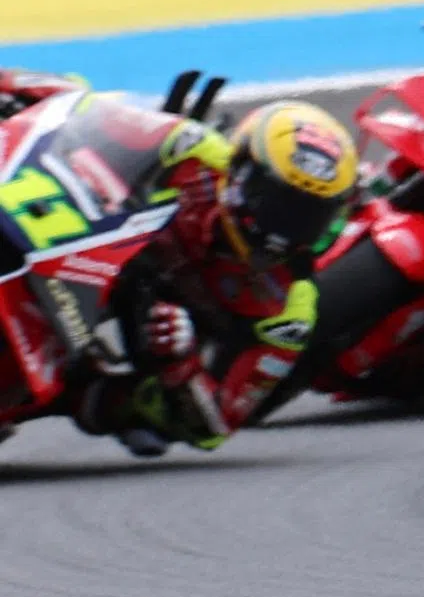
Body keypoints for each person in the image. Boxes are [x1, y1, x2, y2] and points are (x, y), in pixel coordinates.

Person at [68, 98, 360, 456]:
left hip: (158, 329)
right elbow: (82, 109)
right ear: (240, 172)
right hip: (97, 240)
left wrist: (181, 364)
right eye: (277, 205)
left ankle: (69, 389)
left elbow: (218, 426)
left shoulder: (291, 308)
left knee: (131, 414)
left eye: (307, 218)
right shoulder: (193, 149)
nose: (284, 231)